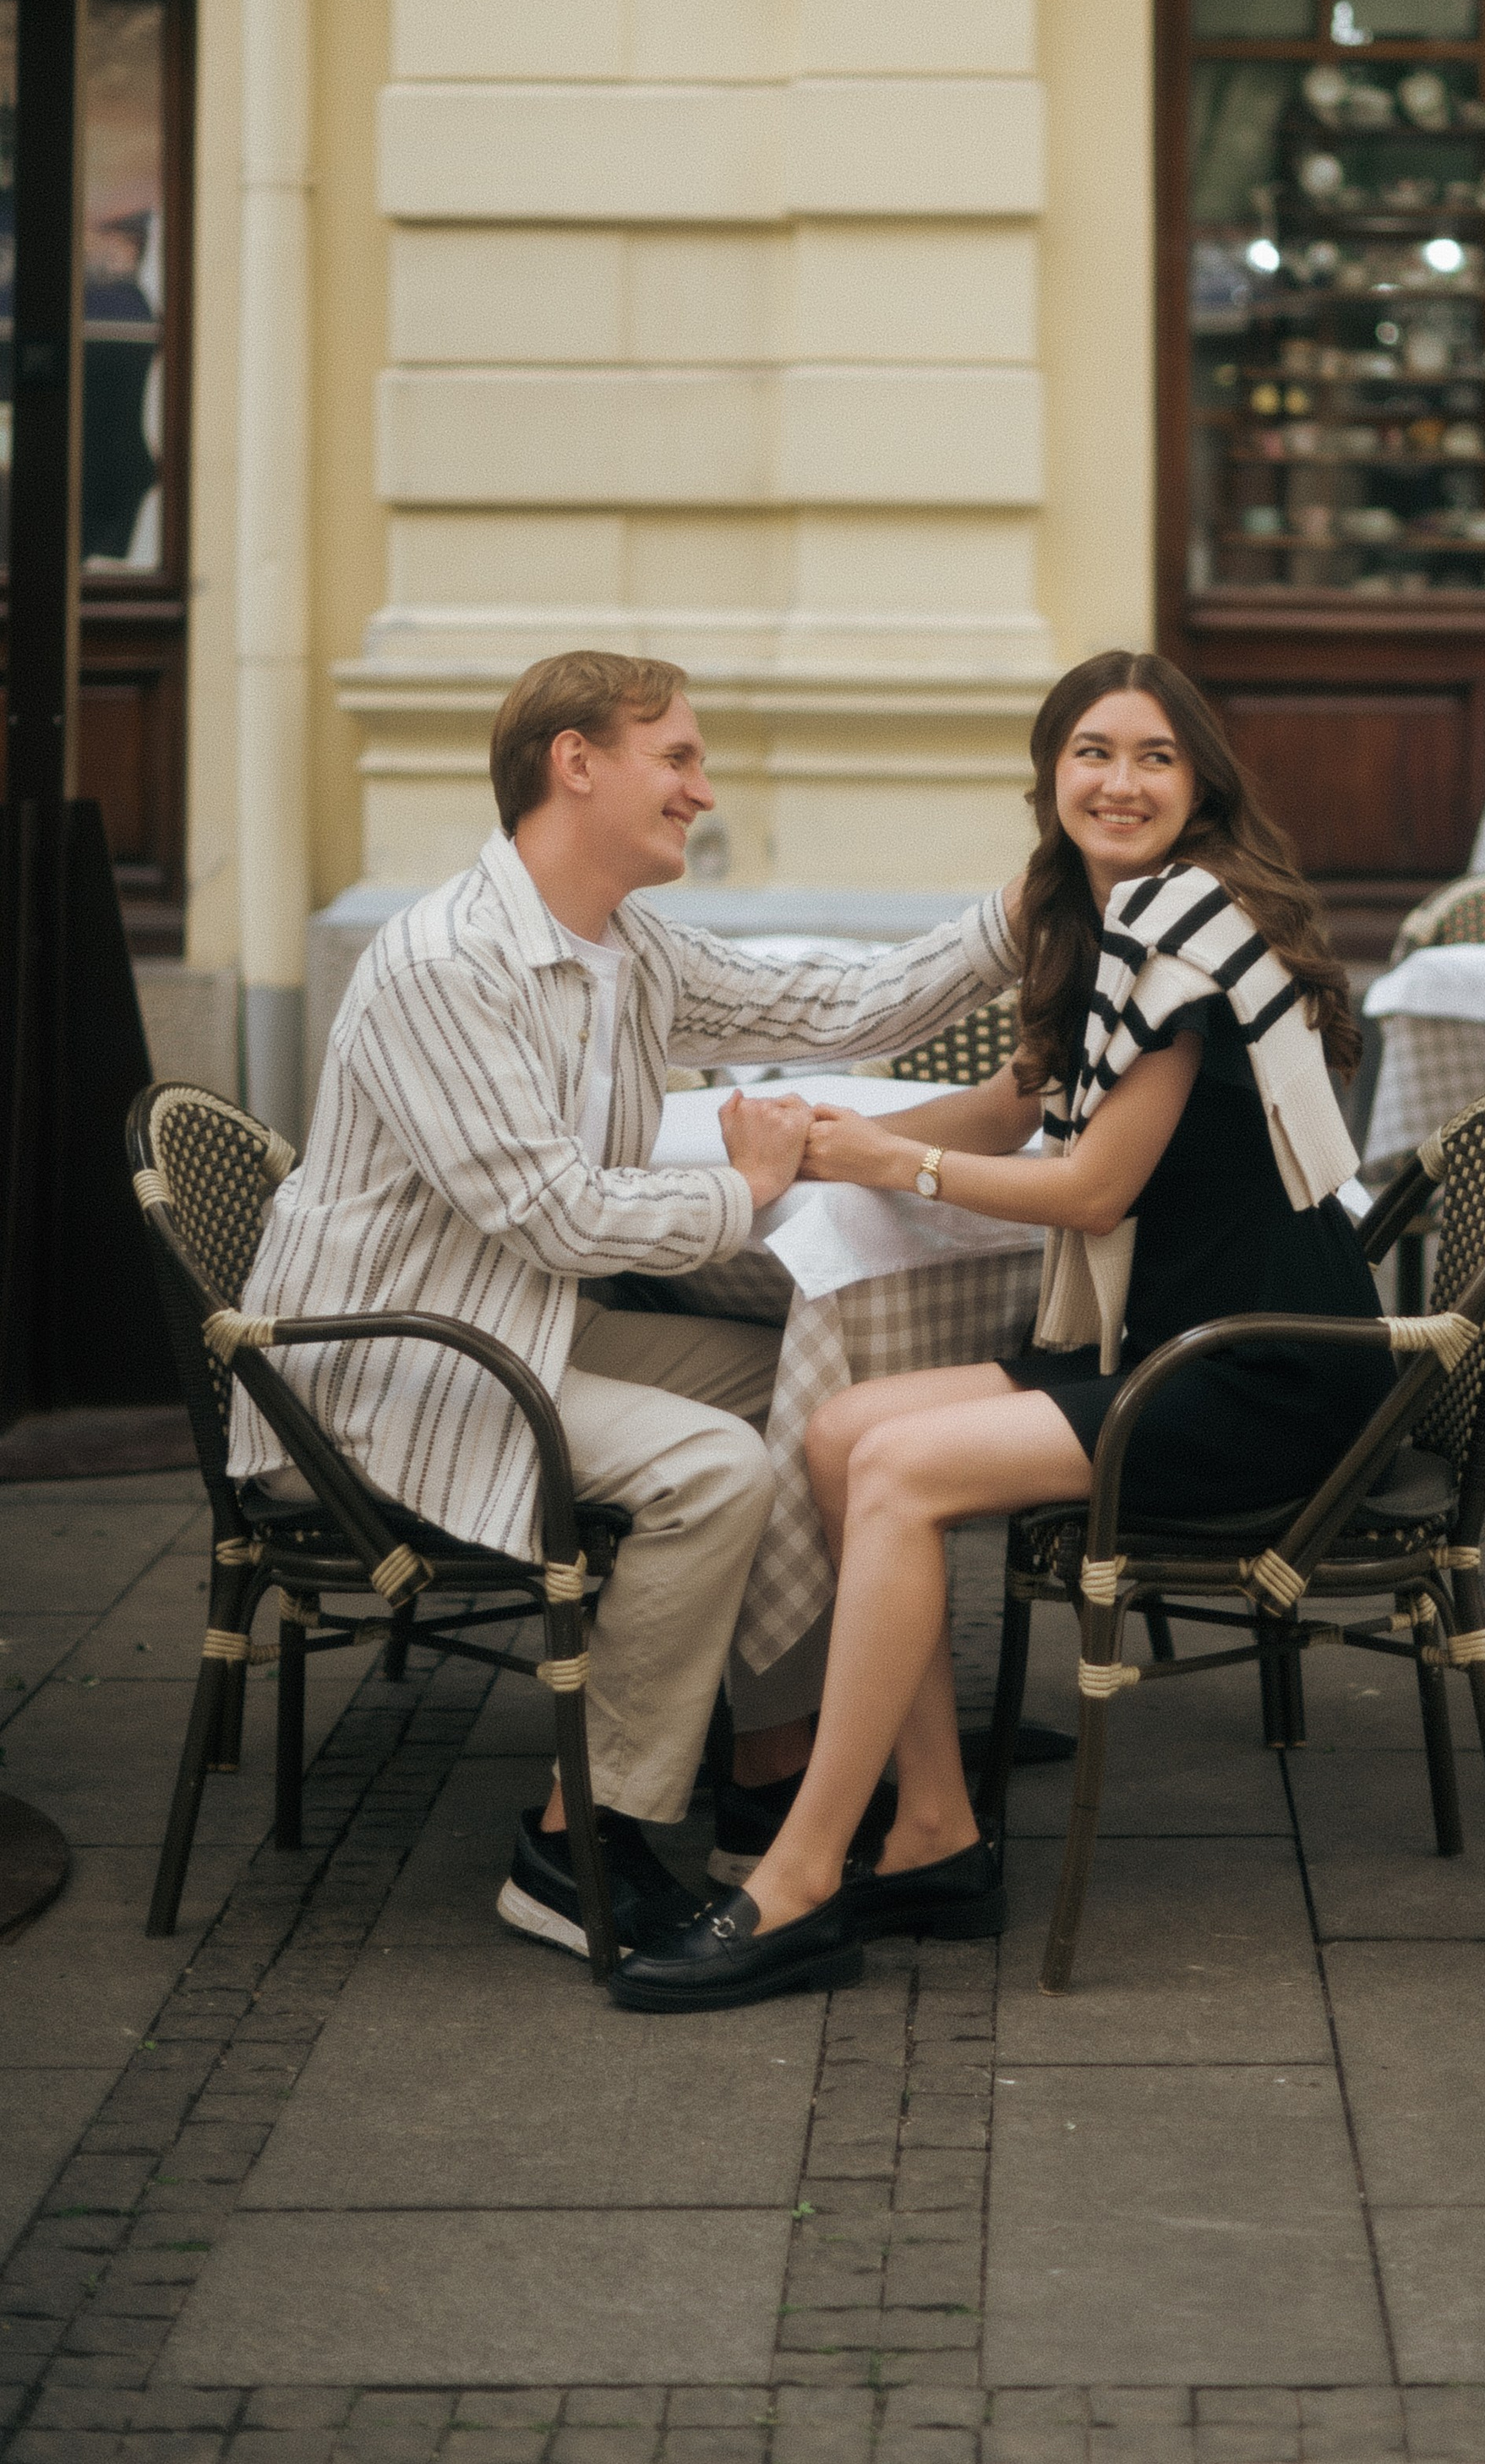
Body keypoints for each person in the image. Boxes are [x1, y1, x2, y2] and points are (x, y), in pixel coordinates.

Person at [609, 650, 1382, 2014]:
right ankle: (933, 1830)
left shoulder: (1188, 931)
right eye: (1093, 750)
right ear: (1050, 773)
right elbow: (1016, 1108)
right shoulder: (1090, 918)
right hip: (1159, 1341)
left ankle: (794, 1875)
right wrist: (820, 1147)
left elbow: (1090, 1188)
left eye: (1153, 755)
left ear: (1199, 782)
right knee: (844, 1430)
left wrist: (877, 1167)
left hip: (1255, 1365)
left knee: (898, 1471)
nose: (1121, 780)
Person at [232, 650, 1022, 1960]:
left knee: (808, 1387)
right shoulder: (446, 960)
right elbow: (553, 1213)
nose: (702, 791)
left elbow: (840, 1003)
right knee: (714, 1469)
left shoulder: (623, 944)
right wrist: (749, 1188)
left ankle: (770, 1767)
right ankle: (573, 1841)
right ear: (575, 761)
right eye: (680, 758)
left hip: (513, 1324)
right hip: (383, 1371)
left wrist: (1025, 909)